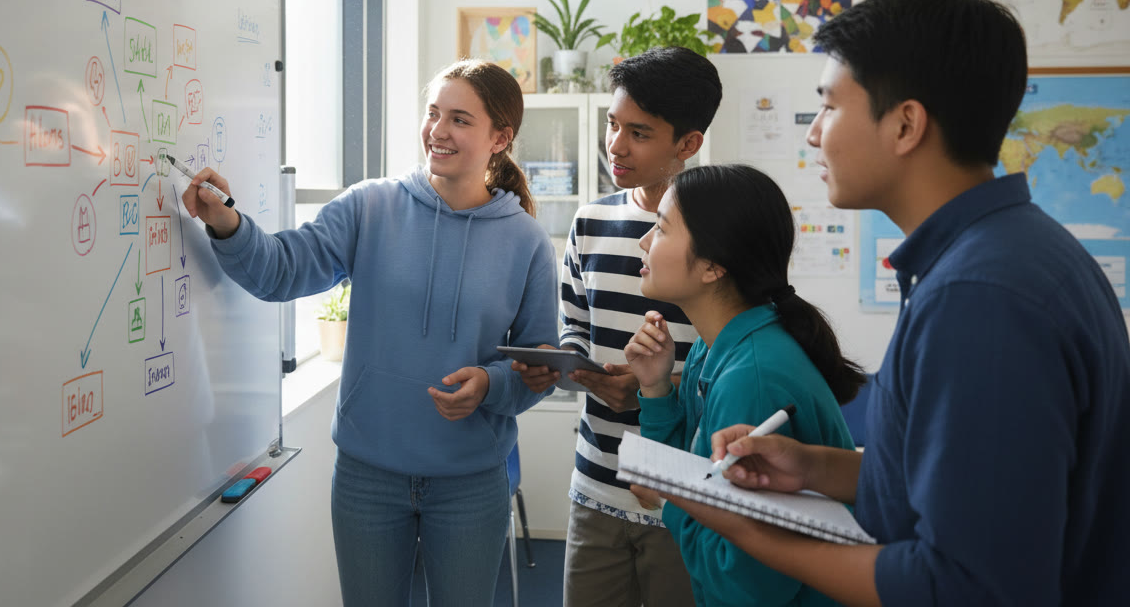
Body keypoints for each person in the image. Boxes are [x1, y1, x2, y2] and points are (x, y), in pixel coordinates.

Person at [660, 0, 1130, 606]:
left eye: (829, 107)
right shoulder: (1010, 251)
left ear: (906, 124)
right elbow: (953, 485)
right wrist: (812, 467)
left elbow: (967, 586)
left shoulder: (980, 297)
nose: (814, 136)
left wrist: (750, 531)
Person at [180, 59, 559, 607]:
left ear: (500, 137)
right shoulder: (370, 205)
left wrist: (491, 383)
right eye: (433, 114)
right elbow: (280, 271)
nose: (438, 131)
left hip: (470, 482)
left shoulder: (525, 241)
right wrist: (227, 223)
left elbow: (538, 365)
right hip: (367, 477)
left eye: (460, 119)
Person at [514, 46, 721, 607]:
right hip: (595, 483)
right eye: (612, 124)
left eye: (639, 132)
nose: (616, 145)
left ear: (688, 143)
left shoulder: (719, 234)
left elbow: (728, 367)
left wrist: (655, 386)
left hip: (681, 493)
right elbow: (574, 326)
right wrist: (574, 367)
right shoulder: (591, 220)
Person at [624, 164, 865, 606]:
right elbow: (693, 471)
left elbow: (743, 584)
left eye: (660, 228)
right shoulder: (713, 346)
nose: (644, 242)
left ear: (713, 266)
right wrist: (657, 388)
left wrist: (669, 500)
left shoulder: (752, 380)